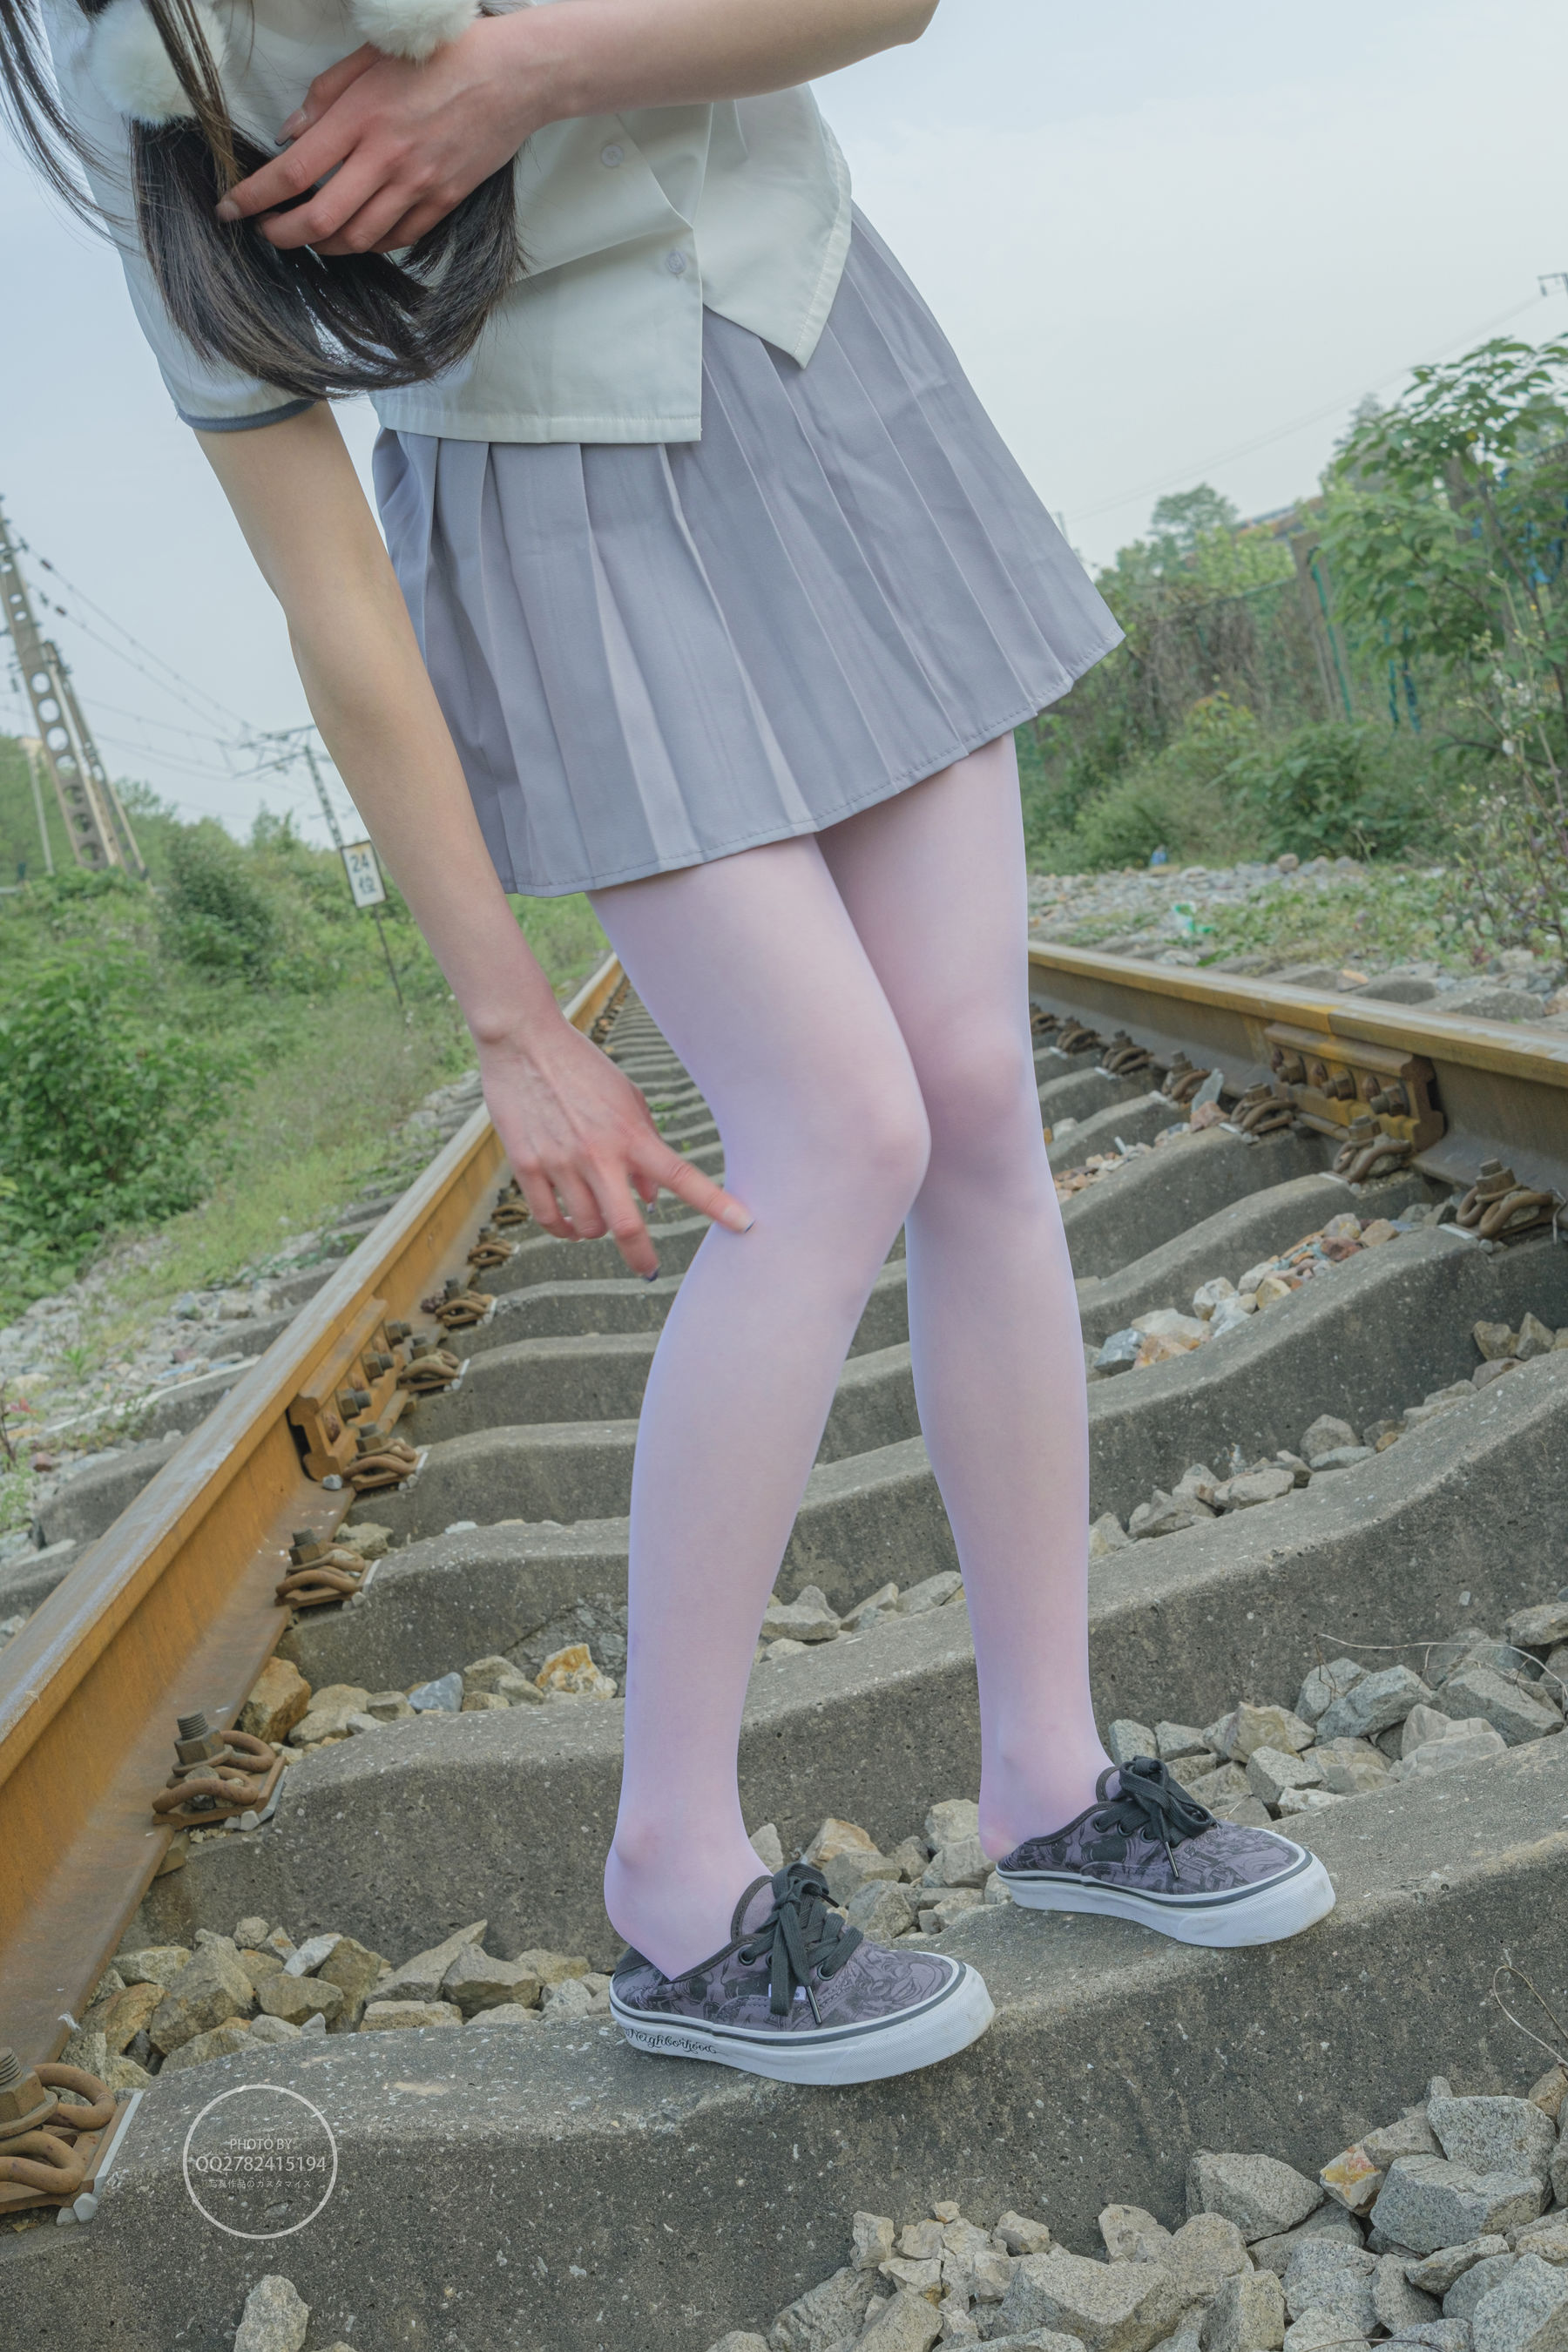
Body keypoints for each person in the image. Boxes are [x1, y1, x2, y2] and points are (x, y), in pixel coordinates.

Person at [14, 0, 1334, 2086]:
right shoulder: (133, 72)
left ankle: (1052, 1779)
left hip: (825, 370)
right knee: (841, 1133)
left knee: (977, 1098)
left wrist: (522, 71)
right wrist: (509, 1022)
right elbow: (333, 604)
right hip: (553, 509)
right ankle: (672, 1875)